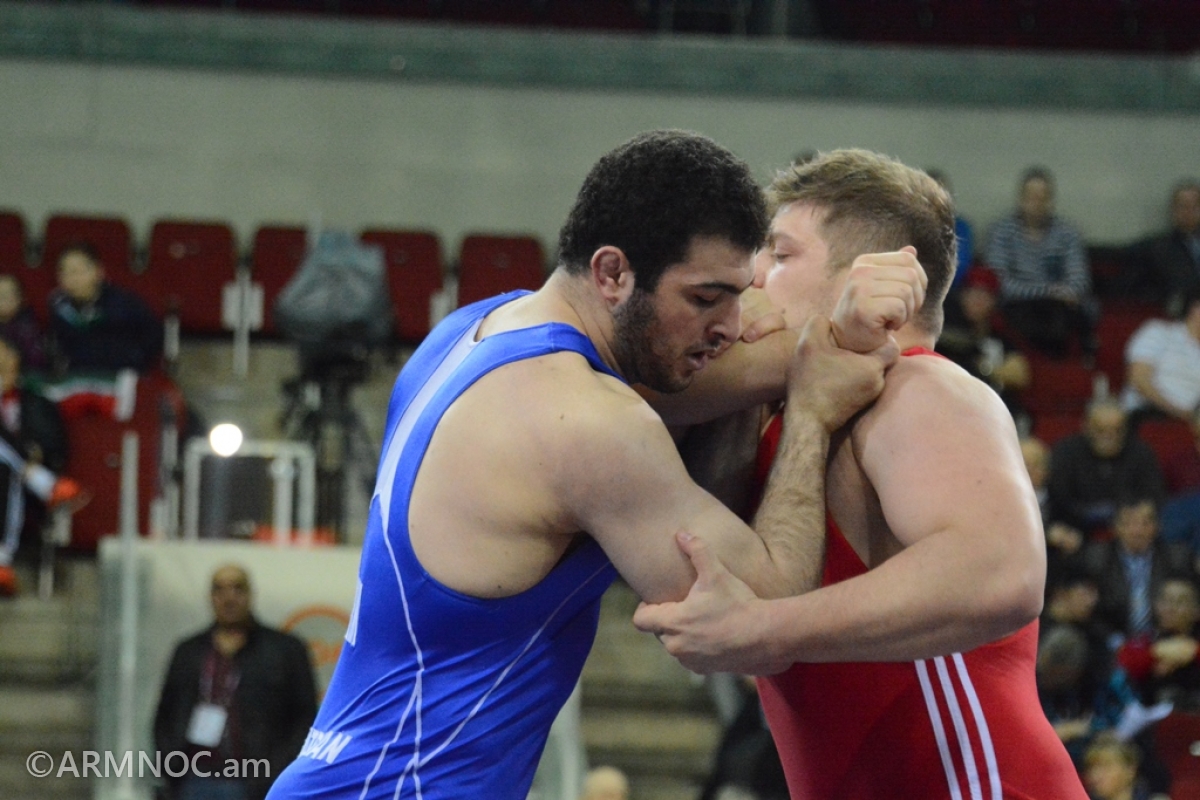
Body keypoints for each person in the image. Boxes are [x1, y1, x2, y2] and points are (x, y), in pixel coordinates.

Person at [265, 131, 921, 800]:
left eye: (737, 295)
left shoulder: (474, 330)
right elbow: (764, 623)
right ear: (612, 274)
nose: (728, 327)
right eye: (704, 299)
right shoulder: (588, 424)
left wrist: (778, 334)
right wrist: (810, 413)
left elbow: (710, 384)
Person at [634, 149, 1086, 798]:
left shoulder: (920, 388)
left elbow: (1002, 576)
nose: (753, 277)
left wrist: (759, 629)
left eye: (781, 255)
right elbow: (648, 393)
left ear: (874, 275)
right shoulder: (792, 417)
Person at [154, 564, 318, 800]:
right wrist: (171, 766)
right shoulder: (189, 651)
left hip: (257, 780)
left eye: (237, 589)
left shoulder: (284, 651)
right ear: (211, 597)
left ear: (250, 594)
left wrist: (279, 772)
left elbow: (305, 718)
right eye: (220, 590)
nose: (229, 598)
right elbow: (165, 715)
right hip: (194, 778)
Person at [984, 166, 1096, 360]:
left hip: (1060, 310)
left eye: (1043, 197)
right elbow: (999, 281)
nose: (1037, 203)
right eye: (1031, 197)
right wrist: (1047, 291)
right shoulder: (1001, 232)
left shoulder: (1067, 233)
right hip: (1017, 305)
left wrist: (1058, 295)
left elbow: (1079, 280)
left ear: (1051, 200)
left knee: (1078, 312)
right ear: (1020, 199)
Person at [0, 335, 82, 596]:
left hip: (13, 480)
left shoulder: (36, 402)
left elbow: (54, 445)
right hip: (29, 476)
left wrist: (38, 452)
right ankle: (45, 484)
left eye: (6, 357)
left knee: (4, 468)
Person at [1077, 498, 1195, 641]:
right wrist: (1113, 641)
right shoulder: (1096, 559)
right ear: (1116, 528)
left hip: (1167, 639)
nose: (1137, 531)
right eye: (1129, 524)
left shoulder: (1177, 558)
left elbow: (1189, 605)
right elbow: (1090, 611)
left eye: (1145, 523)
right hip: (1109, 638)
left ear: (1157, 526)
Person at [1048, 398, 1166, 538]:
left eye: (1117, 430)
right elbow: (1059, 498)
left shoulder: (1141, 453)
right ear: (1086, 427)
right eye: (1101, 430)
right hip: (1075, 529)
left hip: (1130, 532)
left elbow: (1152, 496)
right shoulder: (1066, 453)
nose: (1109, 437)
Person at [936, 265, 1031, 425]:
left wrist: (984, 368)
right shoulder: (945, 333)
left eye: (985, 294)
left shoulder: (999, 336)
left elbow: (1020, 374)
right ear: (962, 295)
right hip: (956, 412)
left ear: (995, 300)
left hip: (997, 414)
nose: (978, 300)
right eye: (972, 292)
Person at [48, 241, 163, 373]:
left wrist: (134, 360)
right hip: (78, 375)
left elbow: (153, 337)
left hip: (121, 374)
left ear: (99, 271)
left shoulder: (123, 304)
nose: (72, 279)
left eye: (78, 271)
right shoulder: (59, 305)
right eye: (64, 272)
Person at [1120, 288, 1200, 426]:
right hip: (1149, 413)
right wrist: (1179, 412)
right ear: (1195, 308)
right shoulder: (1158, 332)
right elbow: (1138, 379)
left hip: (1192, 423)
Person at [1123, 180, 1200, 316]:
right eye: (1183, 206)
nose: (1189, 212)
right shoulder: (1157, 249)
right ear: (1173, 210)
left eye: (1194, 206)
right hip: (1178, 315)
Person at [0, 273, 48, 372]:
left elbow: (37, 360)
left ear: (20, 298)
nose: (4, 299)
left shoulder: (28, 326)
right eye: (1, 295)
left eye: (9, 294)